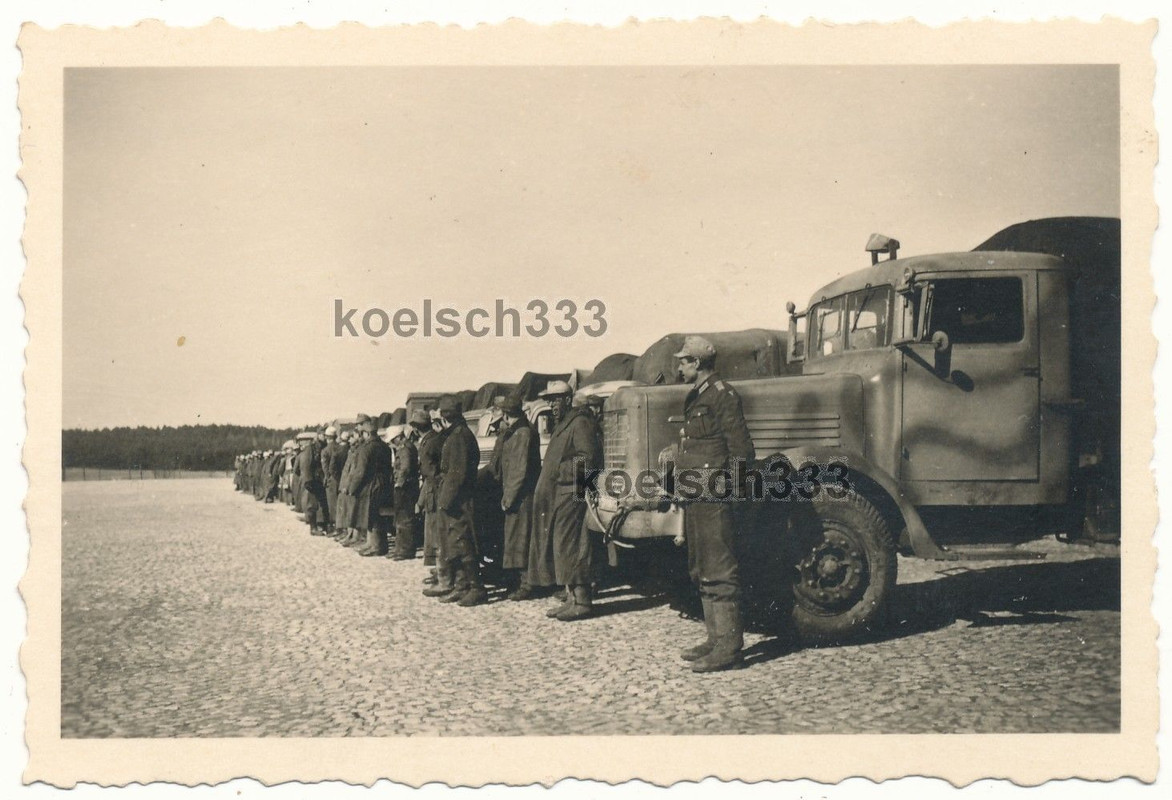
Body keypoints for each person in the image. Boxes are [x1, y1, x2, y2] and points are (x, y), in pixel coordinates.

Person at [672, 335, 755, 673]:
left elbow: (741, 450)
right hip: (697, 494)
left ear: (698, 363)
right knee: (701, 566)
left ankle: (730, 648)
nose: (679, 367)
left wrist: (730, 491)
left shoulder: (723, 396)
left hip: (714, 495)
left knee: (719, 569)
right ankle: (716, 638)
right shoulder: (699, 395)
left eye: (683, 361)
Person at [535, 380, 602, 621]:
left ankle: (583, 601)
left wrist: (558, 471)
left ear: (567, 399)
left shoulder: (580, 422)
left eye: (555, 400)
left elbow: (588, 460)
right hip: (561, 493)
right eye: (549, 401)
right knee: (563, 546)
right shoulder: (565, 423)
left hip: (573, 493)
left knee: (573, 546)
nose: (552, 405)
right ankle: (572, 598)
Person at [426, 394, 486, 607]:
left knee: (464, 543)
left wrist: (444, 501)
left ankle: (476, 588)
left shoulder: (459, 436)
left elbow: (456, 474)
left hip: (458, 500)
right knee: (454, 543)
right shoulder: (456, 434)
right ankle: (462, 587)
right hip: (455, 498)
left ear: (445, 416)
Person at [495, 394, 543, 600]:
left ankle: (527, 584)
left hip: (521, 497)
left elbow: (519, 471)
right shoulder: (518, 431)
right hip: (519, 495)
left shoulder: (522, 433)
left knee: (522, 539)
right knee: (517, 538)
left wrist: (509, 498)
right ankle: (519, 581)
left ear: (506, 415)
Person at [344, 416, 393, 556]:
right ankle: (373, 544)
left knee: (372, 515)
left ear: (366, 434)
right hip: (384, 483)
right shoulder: (385, 447)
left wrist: (352, 488)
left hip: (371, 485)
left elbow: (360, 472)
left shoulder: (366, 449)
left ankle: (376, 546)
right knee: (380, 514)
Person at [390, 410, 427, 560]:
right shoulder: (405, 447)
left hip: (405, 488)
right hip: (406, 487)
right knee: (401, 517)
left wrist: (399, 483)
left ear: (398, 438)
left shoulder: (405, 449)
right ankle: (401, 548)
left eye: (393, 440)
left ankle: (405, 550)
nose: (392, 443)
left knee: (405, 518)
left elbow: (404, 468)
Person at [417, 409, 447, 587]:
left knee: (436, 534)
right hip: (432, 490)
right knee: (434, 533)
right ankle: (438, 570)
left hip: (434, 491)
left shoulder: (430, 442)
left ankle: (441, 573)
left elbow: (431, 473)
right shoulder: (432, 440)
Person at [319, 426, 342, 533]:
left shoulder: (325, 451)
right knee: (341, 503)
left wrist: (327, 477)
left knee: (332, 504)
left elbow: (325, 468)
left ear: (327, 437)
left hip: (331, 480)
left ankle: (336, 527)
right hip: (341, 479)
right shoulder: (341, 448)